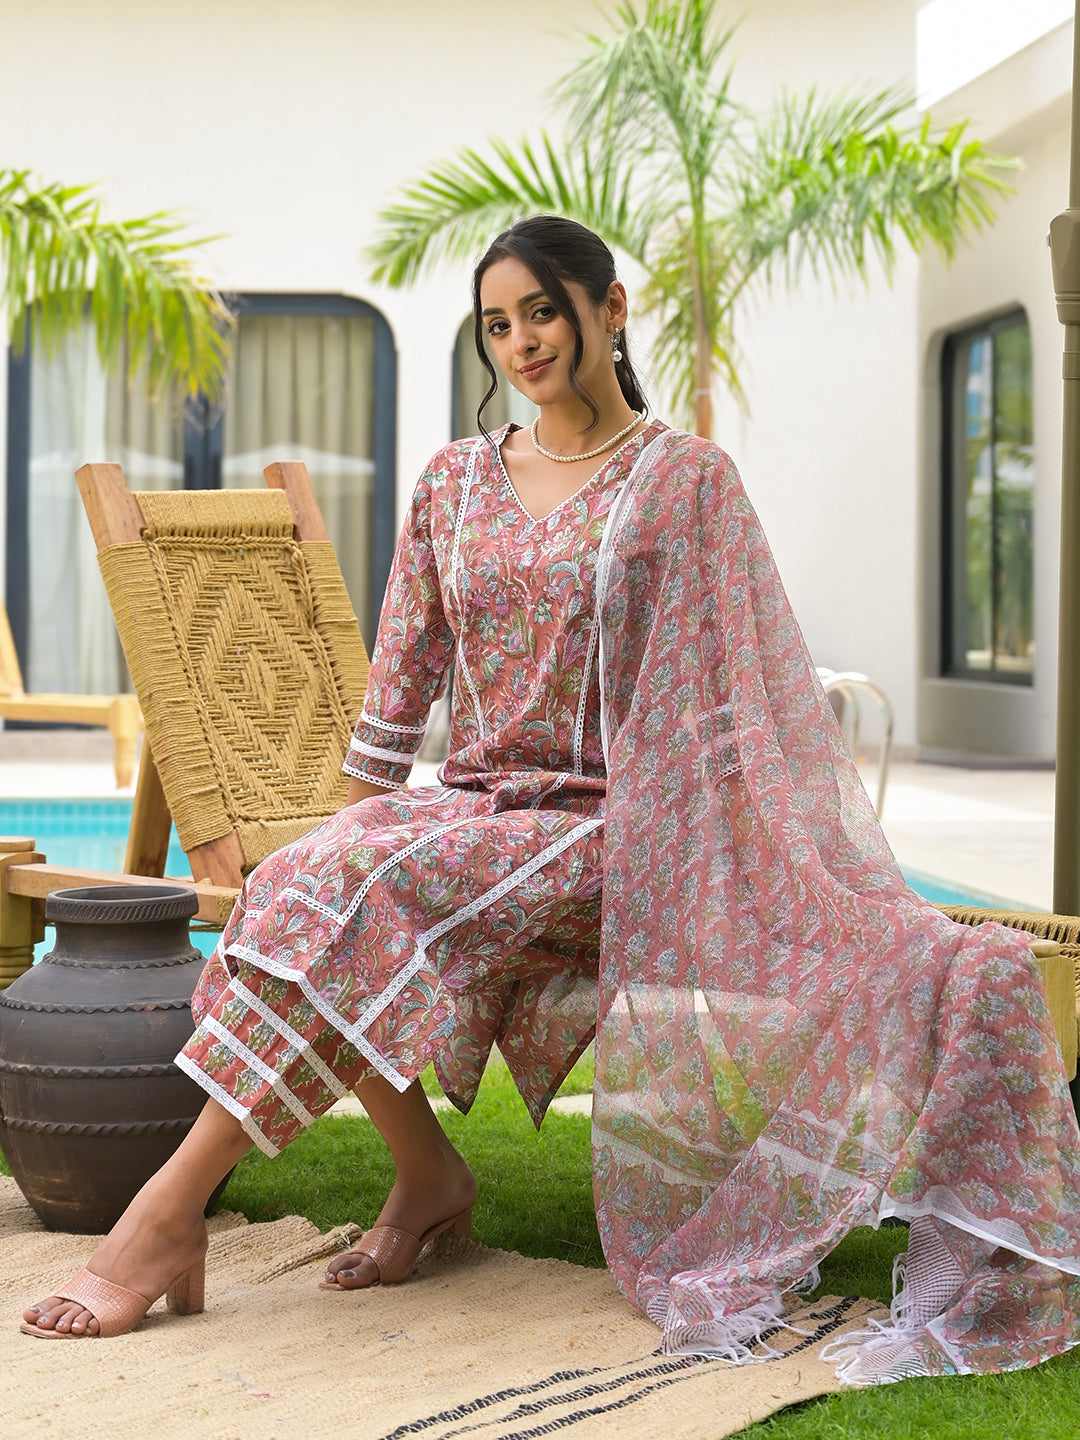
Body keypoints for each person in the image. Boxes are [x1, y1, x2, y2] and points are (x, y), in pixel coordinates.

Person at [19, 217, 1080, 1389]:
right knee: (312, 880)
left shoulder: (685, 484)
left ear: (607, 310)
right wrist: (351, 819)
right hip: (474, 806)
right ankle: (423, 1178)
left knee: (358, 892)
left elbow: (748, 697)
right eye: (497, 323)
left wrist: (765, 857)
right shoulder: (454, 480)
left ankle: (168, 1214)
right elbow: (403, 678)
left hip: (616, 827)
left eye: (541, 312)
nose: (520, 341)